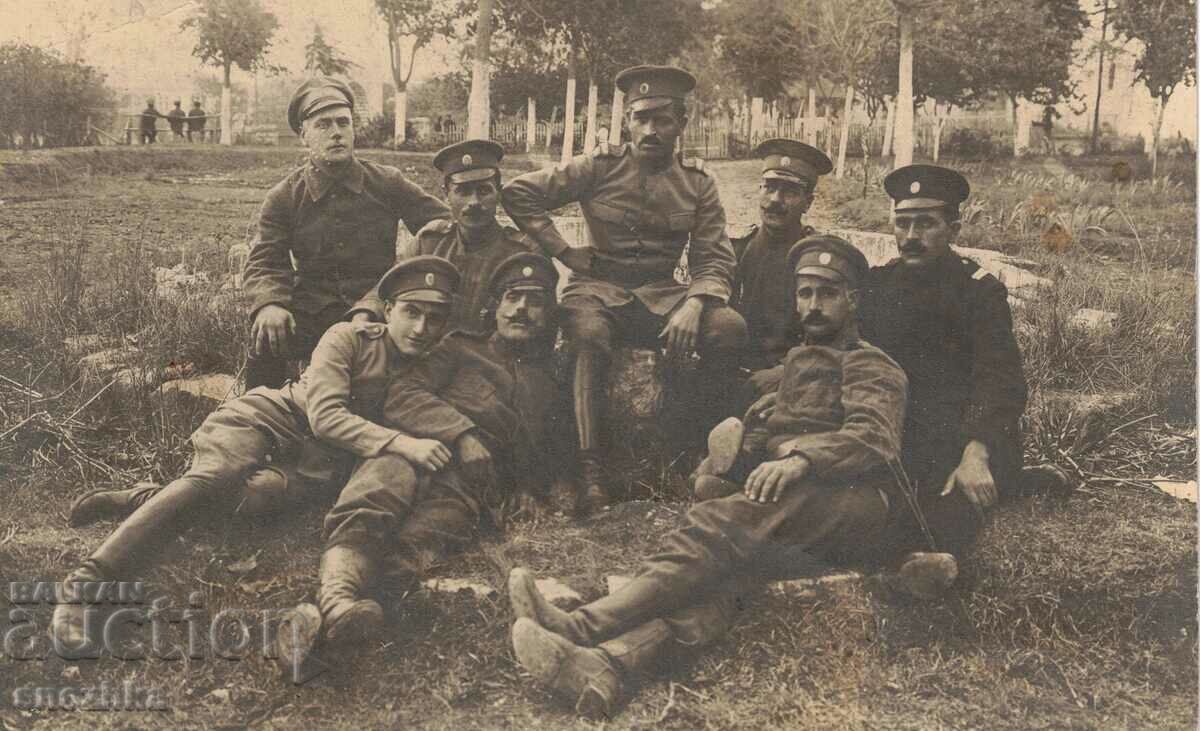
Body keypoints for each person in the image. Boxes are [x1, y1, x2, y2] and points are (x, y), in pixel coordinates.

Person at [506, 235, 940, 720]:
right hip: (806, 513)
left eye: (827, 293)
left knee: (719, 525)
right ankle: (605, 666)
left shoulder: (871, 365)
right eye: (804, 294)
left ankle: (580, 627)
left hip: (859, 506)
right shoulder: (796, 365)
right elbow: (769, 430)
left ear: (854, 299)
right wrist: (732, 460)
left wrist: (799, 459)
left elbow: (873, 439)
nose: (813, 306)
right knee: (724, 576)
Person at [49, 257, 462, 654]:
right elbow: (326, 417)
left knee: (256, 498)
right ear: (387, 309)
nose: (422, 327)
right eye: (411, 312)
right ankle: (85, 585)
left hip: (319, 461)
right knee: (218, 476)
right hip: (270, 419)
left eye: (435, 318)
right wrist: (403, 443)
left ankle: (145, 498)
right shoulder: (347, 338)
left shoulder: (434, 370)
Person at [278, 252, 572, 670]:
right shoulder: (457, 347)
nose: (522, 310)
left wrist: (528, 490)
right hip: (412, 450)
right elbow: (403, 395)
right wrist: (463, 433)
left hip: (467, 486)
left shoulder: (551, 384)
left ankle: (336, 620)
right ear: (496, 306)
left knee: (425, 538)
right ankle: (338, 597)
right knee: (375, 498)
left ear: (550, 314)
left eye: (536, 301)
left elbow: (543, 454)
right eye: (512, 298)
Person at [501, 65, 746, 512]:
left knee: (727, 328)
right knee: (587, 334)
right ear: (628, 120)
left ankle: (691, 455)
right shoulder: (599, 166)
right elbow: (519, 193)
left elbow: (714, 255)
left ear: (681, 125)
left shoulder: (698, 183)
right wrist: (565, 251)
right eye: (641, 118)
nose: (650, 130)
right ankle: (591, 470)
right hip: (597, 287)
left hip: (663, 294)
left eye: (663, 119)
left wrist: (694, 302)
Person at [858, 164, 1071, 566]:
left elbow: (1000, 380)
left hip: (964, 436)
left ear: (954, 229)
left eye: (926, 224)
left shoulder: (979, 292)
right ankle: (1021, 483)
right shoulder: (878, 286)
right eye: (902, 224)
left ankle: (931, 563)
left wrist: (976, 453)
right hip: (904, 434)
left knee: (942, 510)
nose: (911, 236)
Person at [242, 77, 450, 390]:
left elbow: (441, 228)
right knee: (267, 335)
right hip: (312, 311)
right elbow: (265, 260)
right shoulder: (284, 196)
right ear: (304, 136)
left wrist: (399, 282)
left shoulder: (386, 182)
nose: (337, 132)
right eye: (324, 125)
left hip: (381, 307)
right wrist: (271, 303)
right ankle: (262, 420)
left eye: (344, 123)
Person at [349, 140, 533, 333]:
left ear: (499, 194)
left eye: (484, 190)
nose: (474, 202)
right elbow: (386, 288)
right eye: (463, 191)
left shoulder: (519, 253)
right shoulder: (429, 242)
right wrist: (364, 314)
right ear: (446, 195)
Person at [730, 138, 833, 384]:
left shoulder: (819, 258)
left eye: (789, 191)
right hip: (735, 372)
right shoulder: (737, 250)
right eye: (769, 187)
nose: (775, 199)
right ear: (759, 190)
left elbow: (833, 336)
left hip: (795, 377)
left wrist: (784, 372)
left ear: (808, 202)